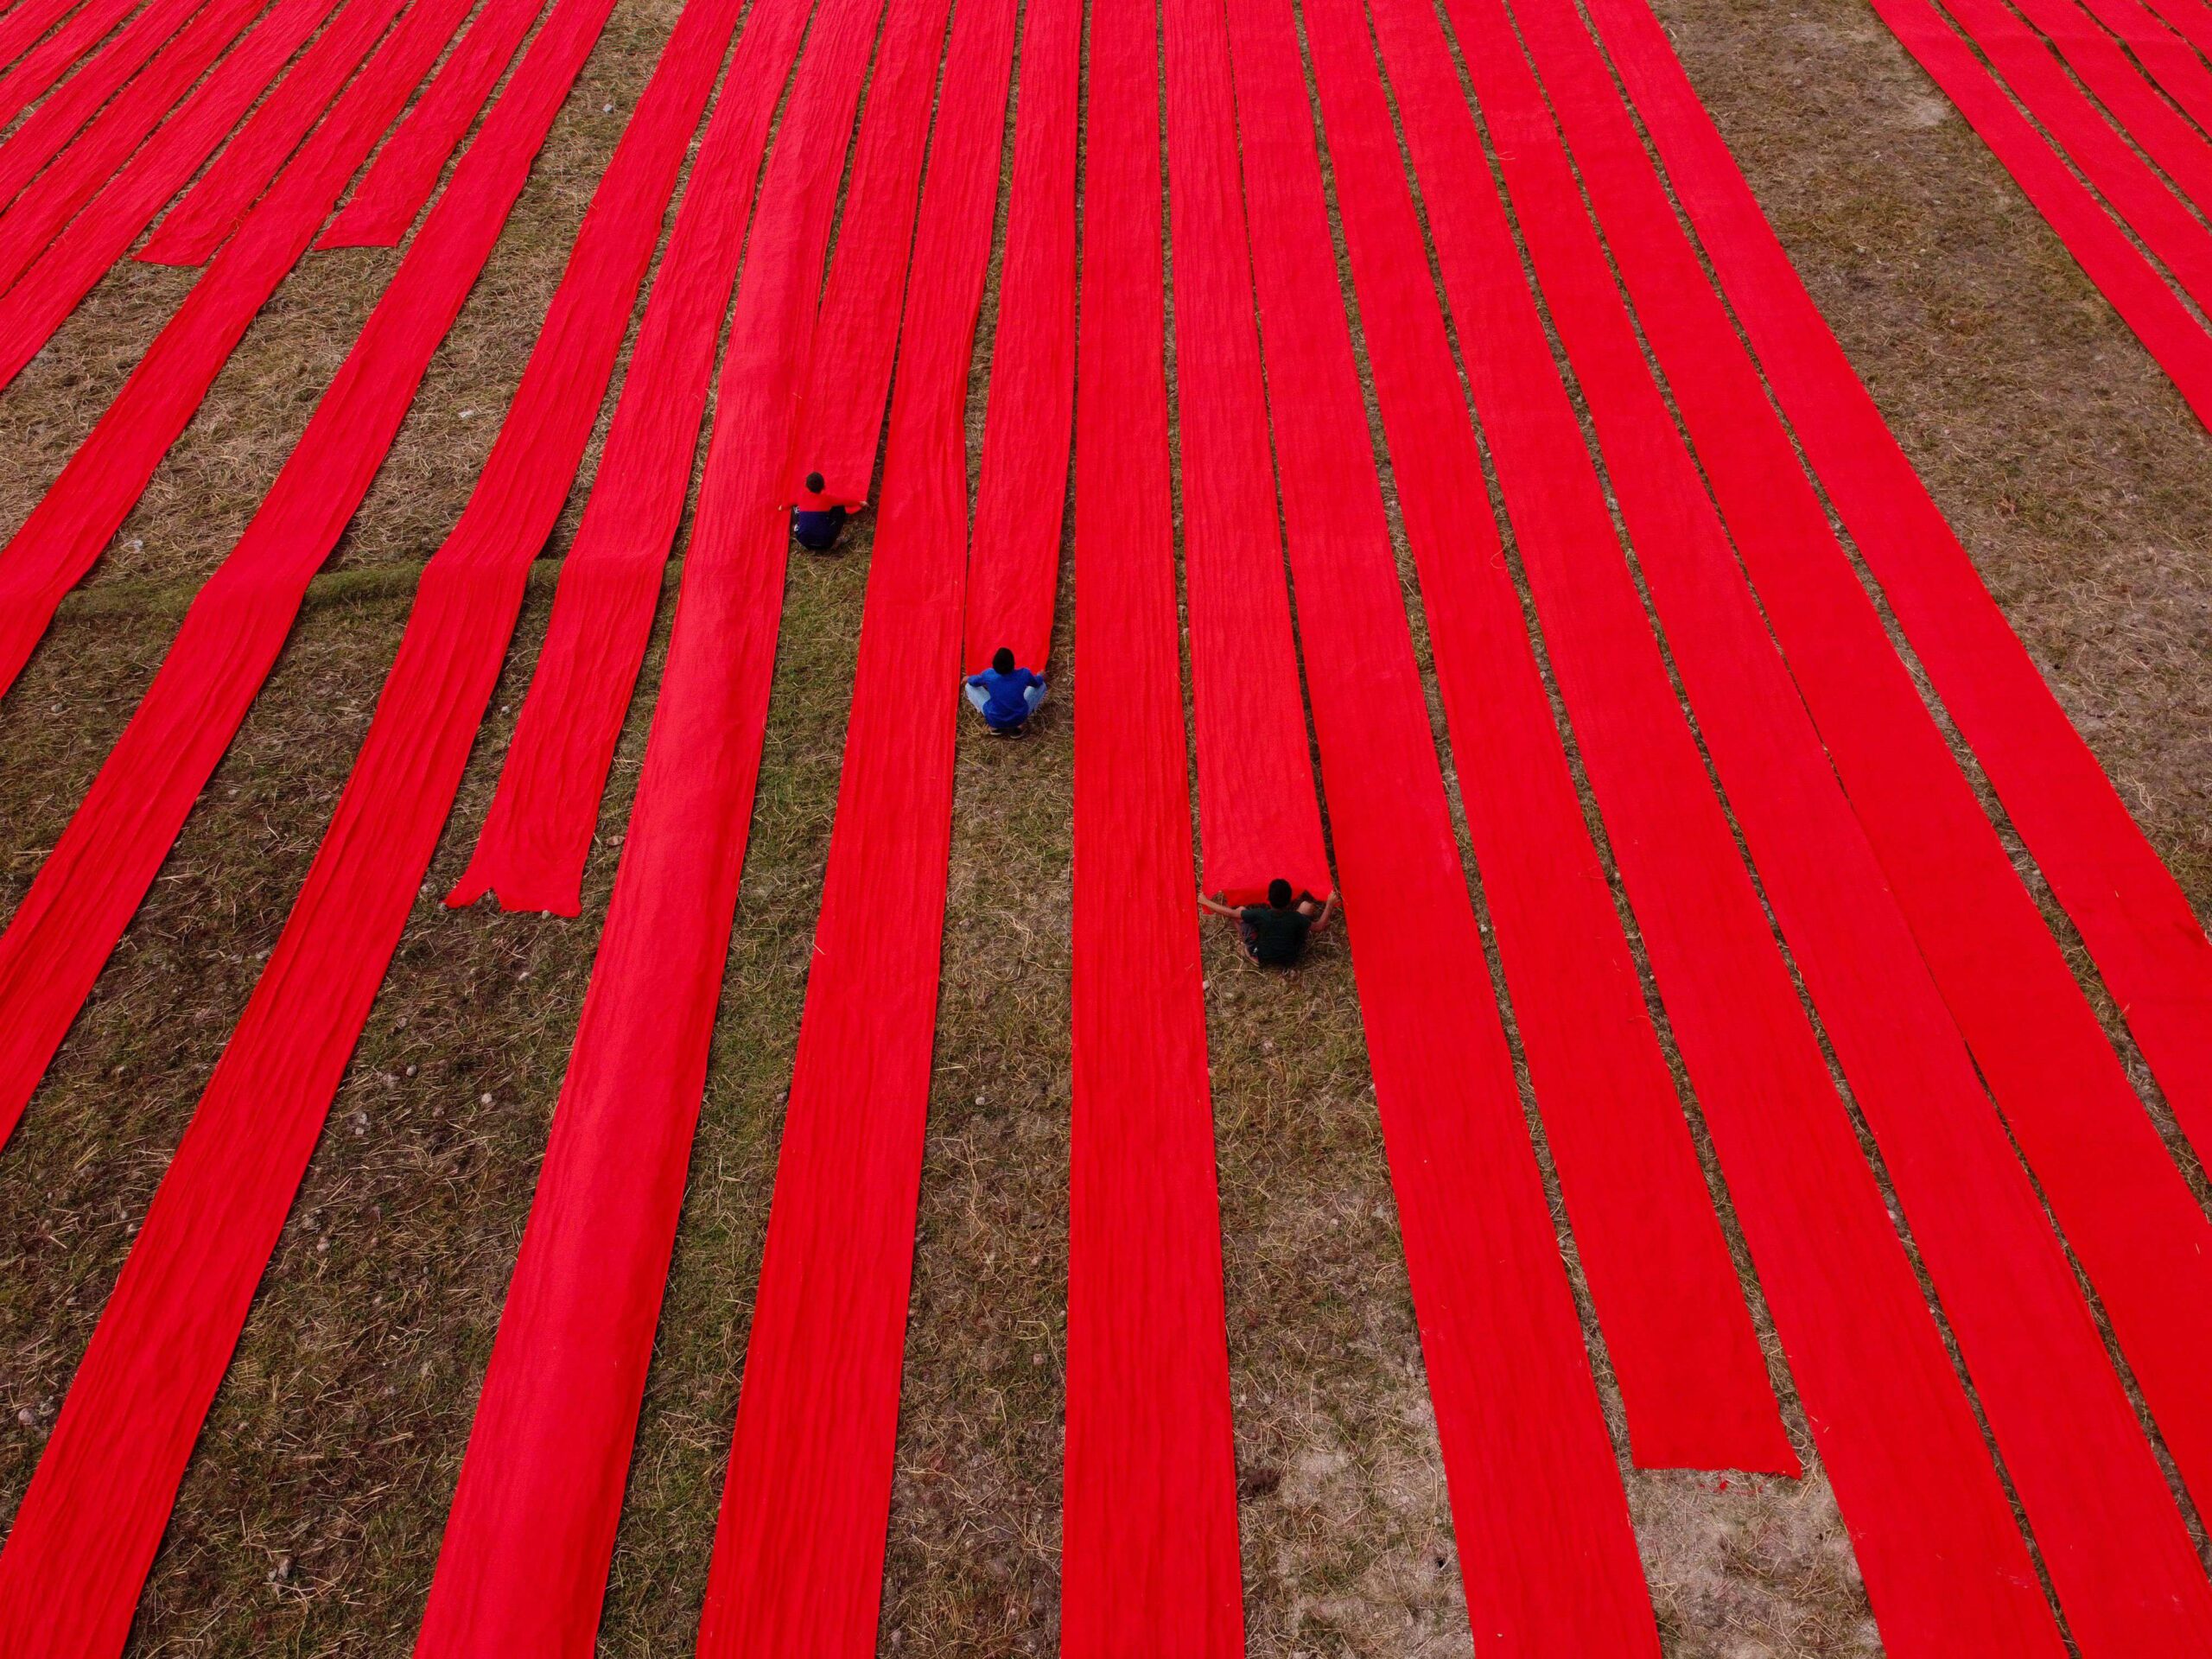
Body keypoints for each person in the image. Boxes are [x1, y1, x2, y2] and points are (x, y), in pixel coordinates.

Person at [1200, 878, 1335, 967]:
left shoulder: (1260, 915)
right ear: (1290, 900)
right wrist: (1329, 903)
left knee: (1240, 911)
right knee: (1307, 906)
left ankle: (1250, 954)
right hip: (1290, 959)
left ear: (1268, 899)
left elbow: (1230, 913)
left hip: (1262, 956)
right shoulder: (1296, 918)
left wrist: (1205, 901)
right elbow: (1320, 926)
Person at [964, 646, 1047, 734]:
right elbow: (1037, 683)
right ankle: (1020, 726)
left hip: (994, 718)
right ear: (1013, 664)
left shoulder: (989, 674)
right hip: (1018, 717)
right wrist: (1040, 676)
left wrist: (968, 678)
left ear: (994, 666)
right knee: (1042, 685)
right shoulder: (1024, 674)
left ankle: (995, 727)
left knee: (969, 686)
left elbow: (974, 682)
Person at [791, 470, 848, 552]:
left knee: (795, 504)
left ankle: (801, 530)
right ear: (824, 487)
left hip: (804, 541)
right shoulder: (827, 499)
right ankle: (834, 539)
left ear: (805, 485)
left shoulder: (801, 498)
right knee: (840, 506)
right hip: (827, 542)